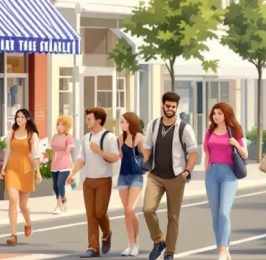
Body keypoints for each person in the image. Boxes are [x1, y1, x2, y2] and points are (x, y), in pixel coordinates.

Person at [141, 92, 199, 260]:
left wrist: (187, 171)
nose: (170, 109)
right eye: (168, 106)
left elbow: (193, 151)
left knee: (173, 216)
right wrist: (146, 163)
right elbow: (147, 146)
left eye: (173, 107)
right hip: (155, 176)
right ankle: (158, 240)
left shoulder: (184, 128)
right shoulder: (153, 125)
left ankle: (170, 251)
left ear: (176, 108)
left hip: (176, 177)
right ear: (163, 105)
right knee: (147, 209)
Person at [72, 108, 121, 258]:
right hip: (88, 181)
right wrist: (72, 173)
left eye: (89, 119)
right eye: (87, 119)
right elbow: (81, 158)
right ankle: (93, 247)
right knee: (91, 216)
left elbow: (114, 157)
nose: (87, 122)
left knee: (100, 213)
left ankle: (106, 233)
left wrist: (99, 151)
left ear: (98, 120)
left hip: (103, 180)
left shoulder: (109, 137)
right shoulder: (86, 138)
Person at [203, 103, 248, 260]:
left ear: (226, 114)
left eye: (220, 113)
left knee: (224, 212)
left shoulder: (234, 131)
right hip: (212, 174)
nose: (216, 116)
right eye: (214, 113)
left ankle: (222, 250)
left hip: (228, 174)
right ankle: (223, 247)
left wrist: (236, 143)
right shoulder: (209, 132)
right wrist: (206, 172)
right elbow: (207, 154)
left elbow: (245, 154)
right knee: (215, 215)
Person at [4, 108, 43, 246]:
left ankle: (28, 222)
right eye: (17, 116)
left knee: (23, 204)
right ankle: (13, 235)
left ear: (27, 118)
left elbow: (35, 154)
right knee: (13, 200)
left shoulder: (32, 135)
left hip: (26, 169)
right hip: (12, 169)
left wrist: (38, 172)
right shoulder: (11, 133)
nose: (18, 119)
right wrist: (3, 167)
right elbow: (8, 150)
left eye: (21, 117)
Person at [116, 112, 147, 258]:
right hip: (123, 176)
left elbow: (146, 157)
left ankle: (136, 243)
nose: (121, 124)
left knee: (130, 209)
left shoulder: (140, 138)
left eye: (123, 121)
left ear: (130, 122)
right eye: (120, 122)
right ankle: (130, 244)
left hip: (136, 176)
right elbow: (119, 156)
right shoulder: (120, 138)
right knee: (126, 212)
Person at [50, 116, 76, 215]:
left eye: (62, 124)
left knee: (60, 183)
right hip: (55, 163)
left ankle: (58, 204)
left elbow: (68, 148)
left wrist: (63, 150)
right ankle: (63, 199)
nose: (59, 126)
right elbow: (52, 147)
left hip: (65, 163)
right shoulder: (55, 136)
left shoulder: (68, 137)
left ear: (67, 126)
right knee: (54, 185)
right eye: (58, 124)